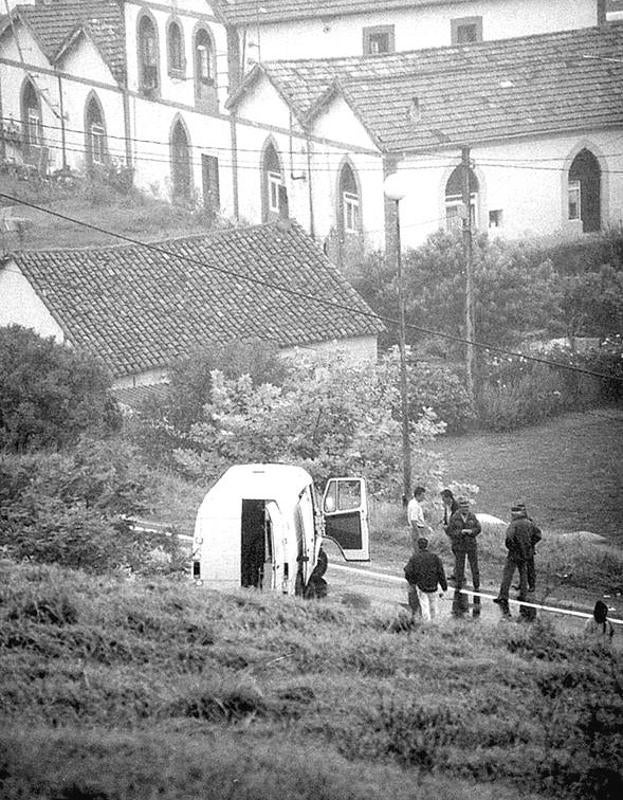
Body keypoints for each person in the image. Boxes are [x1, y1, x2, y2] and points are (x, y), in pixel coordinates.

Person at [494, 504, 542, 617]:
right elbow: (538, 535)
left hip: (514, 554)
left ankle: (503, 596)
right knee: (523, 574)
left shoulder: (514, 524)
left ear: (514, 514)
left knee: (508, 574)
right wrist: (530, 544)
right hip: (526, 553)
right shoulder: (530, 523)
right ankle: (523, 595)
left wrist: (512, 548)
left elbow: (509, 539)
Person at [445, 496, 481, 615]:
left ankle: (477, 585)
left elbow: (478, 528)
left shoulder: (472, 516)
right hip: (459, 545)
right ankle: (459, 586)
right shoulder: (455, 517)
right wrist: (460, 532)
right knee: (459, 566)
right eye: (463, 507)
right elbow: (450, 531)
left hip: (471, 544)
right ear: (460, 508)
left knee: (474, 566)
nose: (466, 509)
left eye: (467, 507)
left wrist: (472, 532)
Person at [404, 538, 447, 622]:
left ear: (418, 546)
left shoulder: (415, 558)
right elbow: (441, 572)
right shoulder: (435, 557)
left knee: (424, 605)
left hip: (422, 586)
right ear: (427, 545)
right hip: (433, 585)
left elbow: (408, 571)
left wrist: (412, 581)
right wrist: (444, 586)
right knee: (433, 605)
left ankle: (426, 623)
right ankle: (435, 622)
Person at [407, 486, 431, 550]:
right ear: (418, 495)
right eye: (422, 495)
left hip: (417, 528)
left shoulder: (413, 503)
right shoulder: (415, 506)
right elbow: (413, 520)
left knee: (416, 548)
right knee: (419, 549)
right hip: (417, 528)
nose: (424, 497)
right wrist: (419, 533)